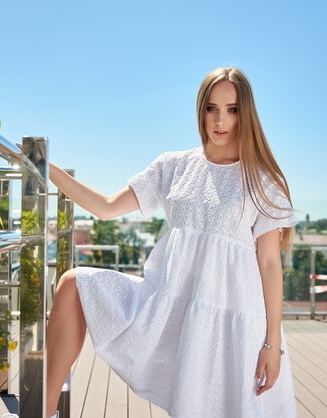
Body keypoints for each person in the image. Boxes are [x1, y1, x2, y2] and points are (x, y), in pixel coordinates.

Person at [45, 67, 299, 418]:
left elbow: (270, 265)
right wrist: (45, 166)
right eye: (211, 108)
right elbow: (105, 207)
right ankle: (42, 411)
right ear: (201, 111)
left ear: (247, 113)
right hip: (172, 306)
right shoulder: (174, 166)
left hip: (235, 321)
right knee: (73, 284)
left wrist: (273, 344)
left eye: (232, 109)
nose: (220, 120)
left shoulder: (261, 180)